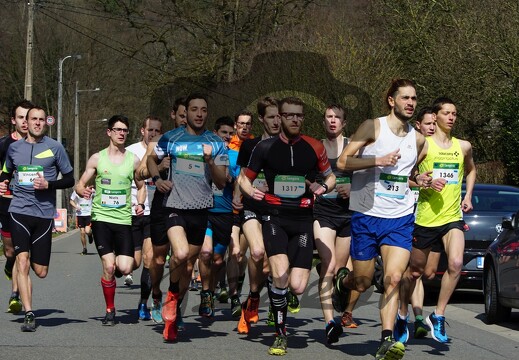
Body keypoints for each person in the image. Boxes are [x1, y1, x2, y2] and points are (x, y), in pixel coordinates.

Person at [334, 78, 430, 360]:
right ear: (391, 100)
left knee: (393, 278)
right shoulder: (372, 127)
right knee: (362, 283)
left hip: (399, 218)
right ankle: (344, 282)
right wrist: (376, 160)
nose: (410, 103)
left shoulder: (418, 138)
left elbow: (405, 175)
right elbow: (342, 162)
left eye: (413, 98)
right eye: (405, 98)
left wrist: (416, 180)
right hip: (366, 214)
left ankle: (386, 339)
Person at [239, 96, 336, 355]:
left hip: (303, 219)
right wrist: (251, 192)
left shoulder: (314, 146)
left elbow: (331, 176)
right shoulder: (265, 148)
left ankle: (278, 295)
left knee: (298, 286)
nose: (295, 119)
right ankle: (280, 333)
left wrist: (323, 186)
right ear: (280, 118)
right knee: (279, 272)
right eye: (290, 115)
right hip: (274, 216)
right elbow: (244, 179)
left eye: (299, 115)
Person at [146, 93, 227, 341]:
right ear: (186, 113)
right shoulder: (171, 138)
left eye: (203, 110)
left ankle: (173, 309)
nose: (199, 114)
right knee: (179, 254)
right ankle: (170, 296)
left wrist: (210, 161)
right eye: (194, 109)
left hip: (201, 210)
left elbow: (222, 181)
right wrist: (158, 180)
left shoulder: (216, 143)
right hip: (174, 206)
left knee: (187, 266)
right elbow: (151, 159)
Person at [396, 97, 476, 344]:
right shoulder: (424, 145)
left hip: (452, 217)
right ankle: (401, 314)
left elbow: (471, 169)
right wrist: (423, 181)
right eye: (447, 113)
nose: (451, 117)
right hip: (426, 218)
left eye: (454, 113)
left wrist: (468, 195)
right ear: (437, 116)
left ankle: (438, 315)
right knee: (415, 272)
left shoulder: (463, 146)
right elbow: (404, 176)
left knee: (455, 262)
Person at [0, 105, 74, 332]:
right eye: (34, 119)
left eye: (42, 120)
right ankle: (29, 313)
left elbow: (70, 178)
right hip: (19, 210)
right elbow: (6, 171)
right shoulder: (14, 148)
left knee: (40, 271)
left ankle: (26, 268)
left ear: (45, 122)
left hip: (43, 214)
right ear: (27, 123)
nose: (37, 123)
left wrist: (49, 184)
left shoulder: (55, 148)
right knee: (22, 260)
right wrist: (3, 181)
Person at [75, 115, 145, 326]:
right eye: (118, 130)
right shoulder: (97, 158)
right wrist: (83, 191)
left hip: (124, 219)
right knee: (108, 265)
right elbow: (79, 184)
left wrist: (139, 204)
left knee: (125, 267)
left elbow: (141, 187)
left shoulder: (133, 159)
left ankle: (113, 270)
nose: (122, 133)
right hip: (101, 219)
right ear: (109, 132)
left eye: (125, 130)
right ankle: (110, 309)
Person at [313, 104, 361, 344]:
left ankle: (338, 297)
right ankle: (330, 322)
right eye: (328, 117)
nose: (332, 121)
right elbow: (304, 176)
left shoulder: (354, 148)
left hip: (347, 215)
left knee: (342, 272)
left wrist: (353, 189)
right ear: (324, 122)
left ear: (344, 123)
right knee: (329, 267)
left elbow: (368, 180)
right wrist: (314, 187)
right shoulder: (315, 147)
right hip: (322, 213)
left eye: (337, 118)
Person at [134, 98, 184, 325]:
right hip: (158, 207)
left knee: (184, 260)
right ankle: (155, 295)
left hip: (187, 207)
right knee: (155, 258)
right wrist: (159, 169)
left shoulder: (198, 142)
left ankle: (177, 308)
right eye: (182, 115)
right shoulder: (160, 143)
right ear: (175, 116)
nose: (187, 119)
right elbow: (139, 174)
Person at [234, 97, 280, 333]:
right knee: (258, 252)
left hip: (278, 209)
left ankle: (272, 302)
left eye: (279, 116)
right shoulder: (250, 146)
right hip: (253, 206)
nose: (276, 121)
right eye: (271, 117)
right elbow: (242, 176)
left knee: (270, 267)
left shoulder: (289, 146)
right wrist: (244, 191)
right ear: (261, 119)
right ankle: (252, 299)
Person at [198, 116, 238, 318]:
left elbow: (240, 181)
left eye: (231, 134)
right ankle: (206, 292)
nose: (228, 137)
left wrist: (233, 183)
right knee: (205, 253)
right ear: (215, 133)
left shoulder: (234, 156)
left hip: (224, 212)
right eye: (224, 133)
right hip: (204, 211)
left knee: (217, 259)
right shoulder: (202, 153)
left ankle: (210, 291)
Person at [406, 106, 441, 339]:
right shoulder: (412, 150)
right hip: (412, 216)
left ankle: (400, 289)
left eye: (435, 124)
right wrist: (420, 183)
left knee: (429, 273)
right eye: (428, 123)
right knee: (416, 272)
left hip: (436, 218)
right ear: (419, 125)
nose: (432, 127)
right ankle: (417, 317)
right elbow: (401, 180)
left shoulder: (443, 150)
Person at [125, 116, 163, 321]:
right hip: (131, 212)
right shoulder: (131, 152)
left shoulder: (164, 149)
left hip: (152, 212)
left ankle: (143, 303)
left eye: (157, 131)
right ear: (142, 131)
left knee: (149, 260)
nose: (153, 134)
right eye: (150, 130)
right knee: (135, 263)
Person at [0, 99, 33, 315]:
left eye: (27, 117)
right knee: (11, 250)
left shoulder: (39, 144)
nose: (24, 121)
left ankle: (15, 295)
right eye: (20, 117)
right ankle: (8, 261)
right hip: (6, 202)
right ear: (14, 120)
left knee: (23, 255)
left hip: (29, 205)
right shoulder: (4, 145)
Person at [69, 189, 94, 255]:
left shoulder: (92, 190)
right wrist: (76, 206)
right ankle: (84, 248)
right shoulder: (77, 191)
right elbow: (71, 201)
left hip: (88, 214)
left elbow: (97, 198)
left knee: (87, 231)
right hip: (80, 214)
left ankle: (90, 235)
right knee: (82, 232)